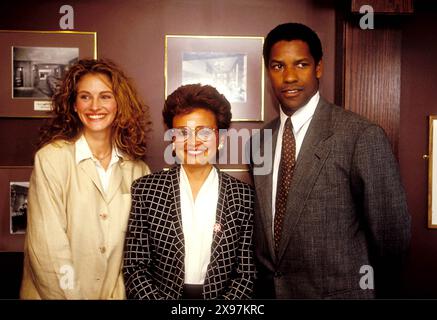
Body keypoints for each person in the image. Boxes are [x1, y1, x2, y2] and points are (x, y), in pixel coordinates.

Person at [250, 23, 411, 299]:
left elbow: (391, 237)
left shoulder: (360, 135)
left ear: (318, 68)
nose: (289, 77)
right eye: (278, 66)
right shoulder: (259, 142)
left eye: (301, 64)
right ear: (268, 72)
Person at [20, 58, 151, 299]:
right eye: (85, 96)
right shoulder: (51, 160)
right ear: (73, 105)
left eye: (105, 96)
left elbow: (134, 255)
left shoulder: (138, 170)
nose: (94, 106)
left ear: (119, 103)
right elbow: (49, 250)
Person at [123, 84, 255, 299]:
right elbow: (135, 268)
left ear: (220, 139)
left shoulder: (243, 197)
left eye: (204, 131)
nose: (193, 141)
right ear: (172, 140)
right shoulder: (145, 190)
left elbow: (246, 274)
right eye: (183, 132)